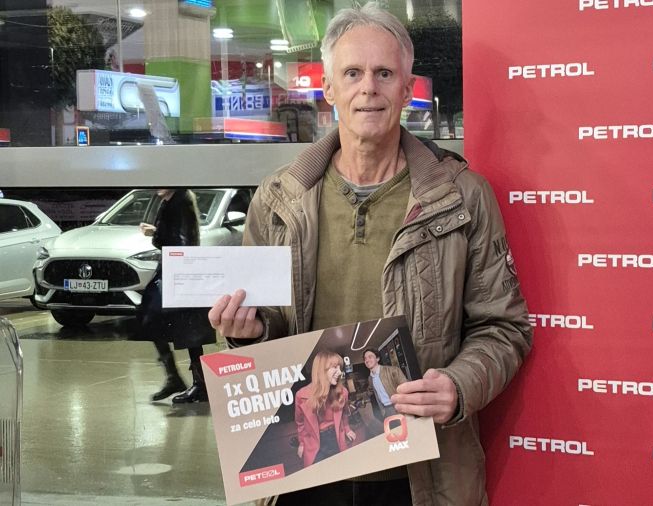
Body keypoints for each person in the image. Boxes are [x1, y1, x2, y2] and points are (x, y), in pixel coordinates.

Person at [208, 3, 531, 504]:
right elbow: (263, 325)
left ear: (407, 88)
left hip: (418, 477)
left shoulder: (462, 198)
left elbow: (504, 328)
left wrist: (458, 385)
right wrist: (245, 331)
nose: (369, 89)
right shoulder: (277, 200)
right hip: (303, 471)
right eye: (352, 73)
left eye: (384, 73)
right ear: (328, 88)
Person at [138, 189, 215, 403]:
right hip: (173, 267)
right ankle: (180, 378)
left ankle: (195, 383)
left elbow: (181, 241)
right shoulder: (170, 201)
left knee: (184, 325)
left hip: (179, 268)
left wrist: (155, 234)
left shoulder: (180, 202)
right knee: (163, 321)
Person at [294, 350, 357, 467]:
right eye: (335, 367)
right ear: (321, 370)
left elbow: (344, 414)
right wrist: (302, 443)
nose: (340, 372)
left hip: (336, 437)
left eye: (340, 368)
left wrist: (347, 429)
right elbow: (300, 423)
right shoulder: (301, 395)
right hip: (315, 442)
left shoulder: (343, 392)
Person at [363, 348, 407, 420]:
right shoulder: (370, 378)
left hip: (398, 407)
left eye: (370, 357)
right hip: (385, 410)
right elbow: (371, 390)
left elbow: (406, 388)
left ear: (377, 359)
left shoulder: (393, 370)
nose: (367, 360)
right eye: (365, 359)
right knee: (392, 428)